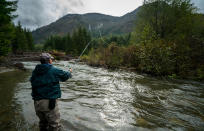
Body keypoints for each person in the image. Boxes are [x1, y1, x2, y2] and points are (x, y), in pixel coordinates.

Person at [30, 53, 72, 131]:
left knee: (43, 123)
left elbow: (32, 82)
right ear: (49, 61)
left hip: (37, 103)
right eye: (51, 59)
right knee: (54, 126)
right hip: (49, 103)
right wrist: (69, 72)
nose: (52, 60)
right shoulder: (54, 70)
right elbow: (65, 76)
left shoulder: (35, 72)